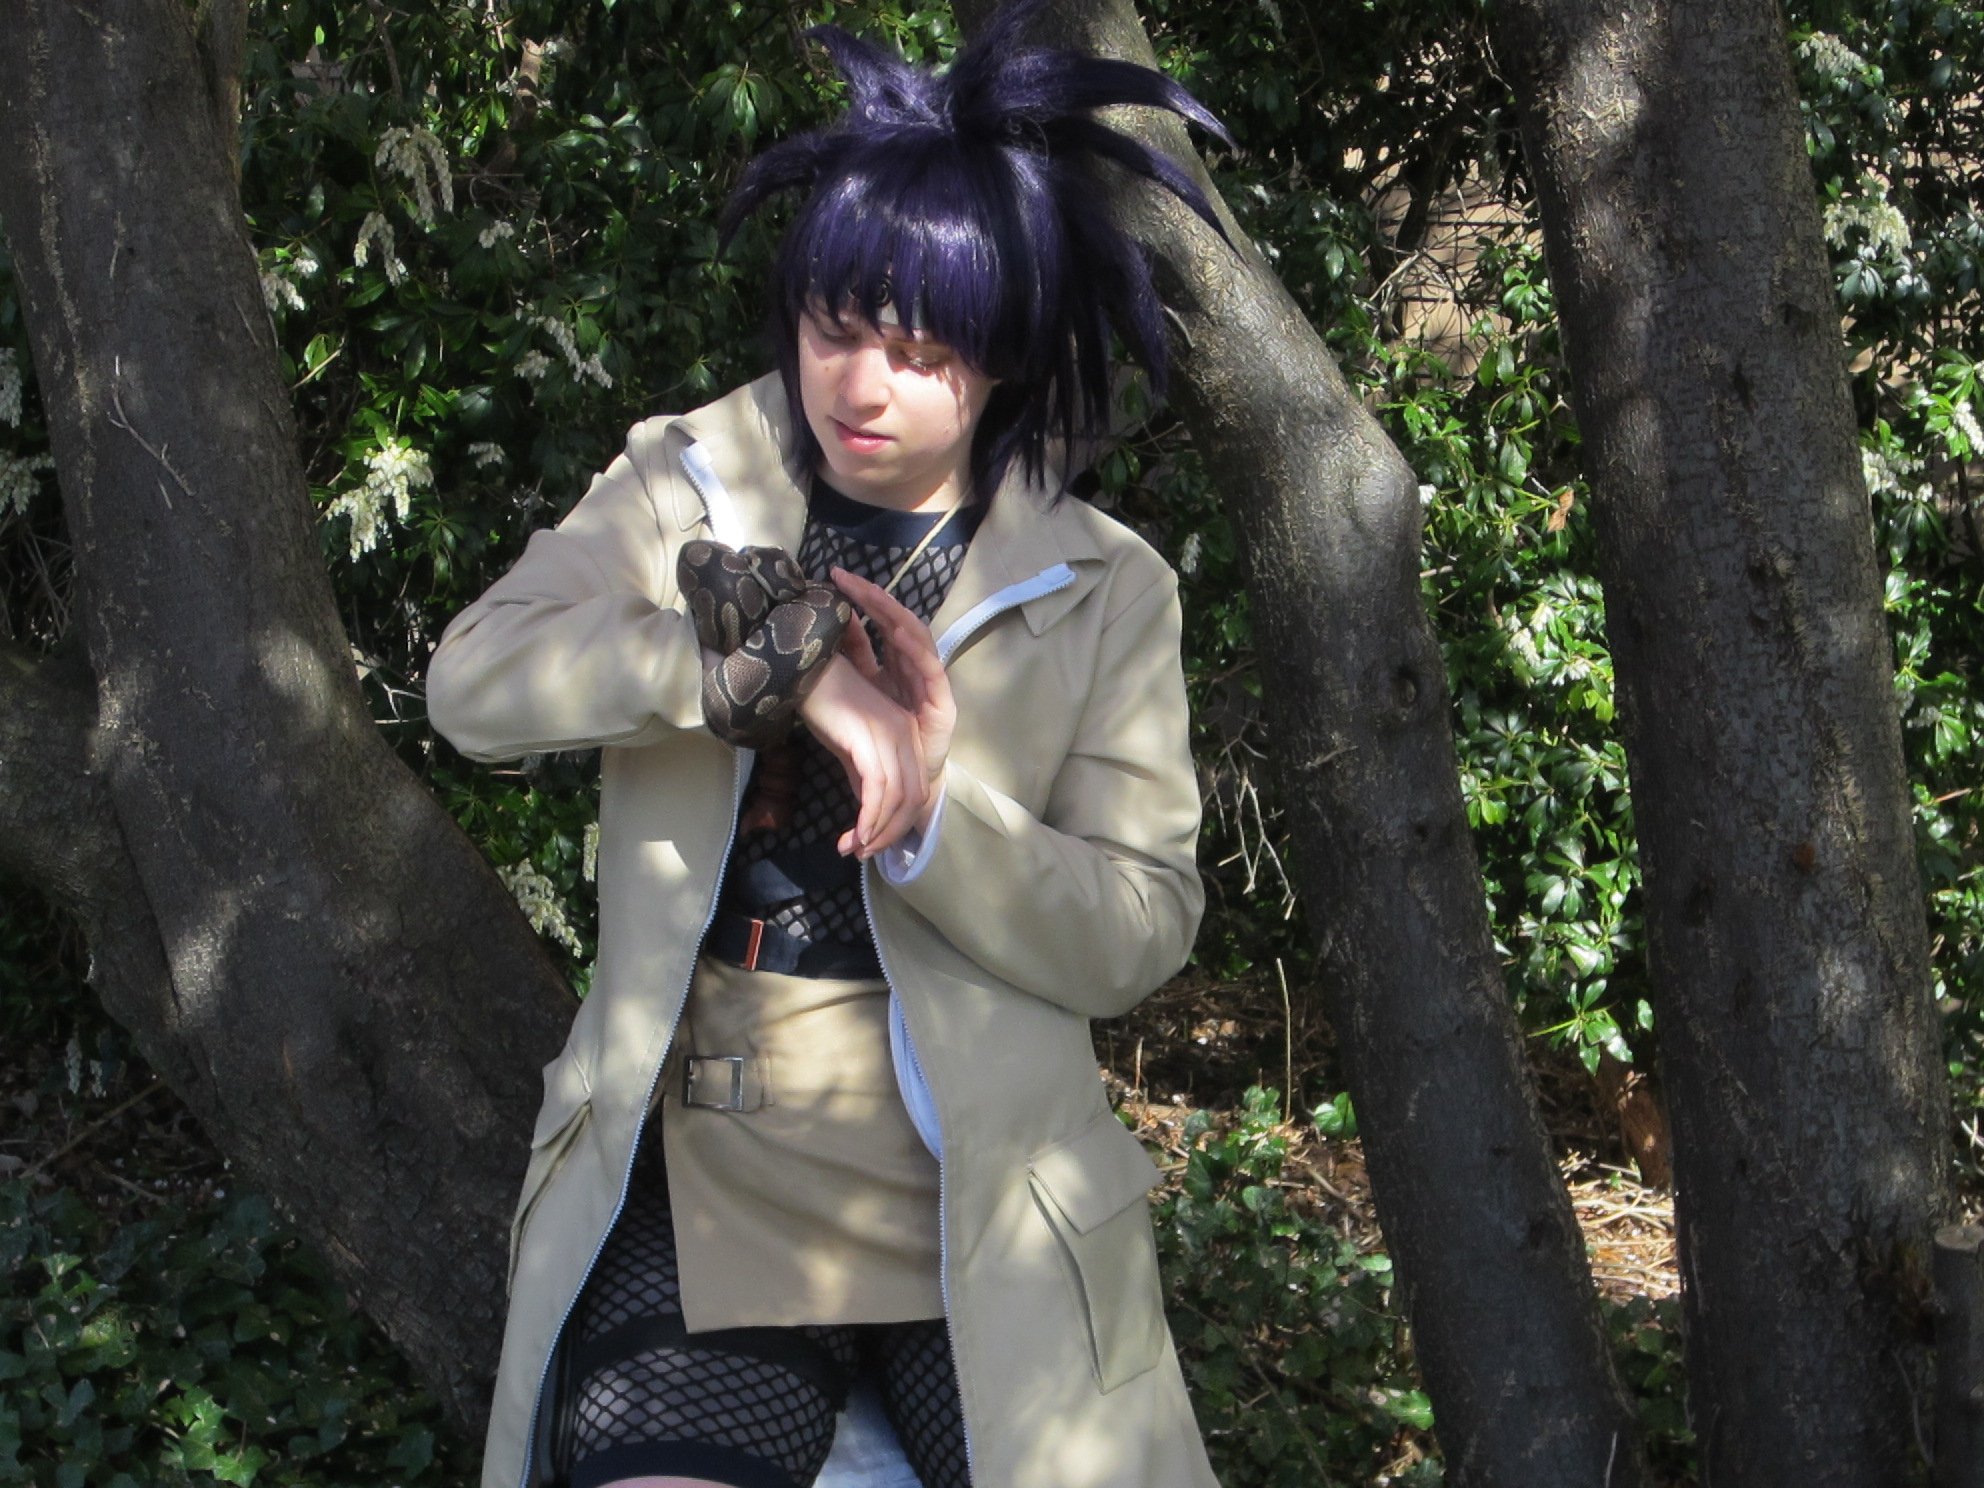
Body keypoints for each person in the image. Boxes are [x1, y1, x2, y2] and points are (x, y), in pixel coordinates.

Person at [426, 4, 1230, 1485]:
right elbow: (474, 685)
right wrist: (761, 673)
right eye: (836, 330)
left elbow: (1140, 926)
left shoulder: (1106, 586)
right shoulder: (686, 484)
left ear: (1002, 358)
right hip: (710, 1169)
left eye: (922, 353)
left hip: (988, 1189)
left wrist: (934, 818)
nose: (862, 387)